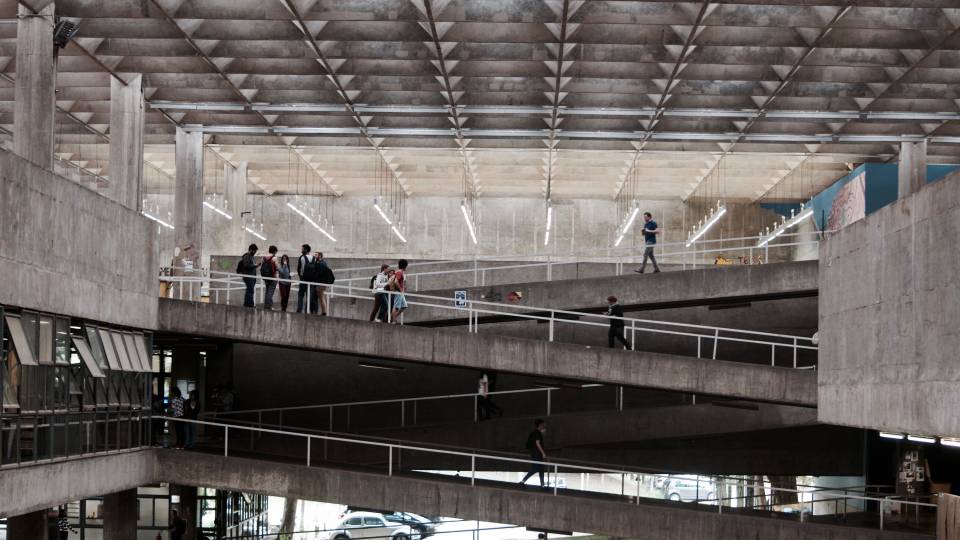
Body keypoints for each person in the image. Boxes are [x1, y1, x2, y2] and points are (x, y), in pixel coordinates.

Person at [520, 419, 547, 487]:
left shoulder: (536, 432)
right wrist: (543, 453)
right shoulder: (537, 433)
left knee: (541, 468)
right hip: (536, 453)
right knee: (535, 468)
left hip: (536, 453)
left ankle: (542, 484)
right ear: (540, 425)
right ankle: (523, 480)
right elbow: (537, 443)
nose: (544, 425)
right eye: (543, 424)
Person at [389, 259, 409, 323]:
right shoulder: (399, 272)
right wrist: (400, 289)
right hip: (398, 292)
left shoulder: (400, 272)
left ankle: (393, 318)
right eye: (406, 266)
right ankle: (393, 321)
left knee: (404, 306)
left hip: (400, 292)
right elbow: (396, 281)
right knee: (397, 307)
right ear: (404, 266)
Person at [260, 245, 279, 309]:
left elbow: (261, 266)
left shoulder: (264, 257)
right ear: (274, 251)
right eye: (276, 252)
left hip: (266, 277)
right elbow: (277, 267)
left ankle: (266, 305)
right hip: (273, 277)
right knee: (270, 292)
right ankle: (268, 306)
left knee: (267, 291)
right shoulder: (274, 258)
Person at [296, 244, 312, 313]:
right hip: (311, 280)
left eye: (302, 249)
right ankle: (307, 310)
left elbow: (298, 269)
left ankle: (299, 310)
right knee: (309, 295)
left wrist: (301, 277)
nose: (301, 250)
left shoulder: (301, 257)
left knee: (301, 294)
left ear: (306, 250)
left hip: (303, 279)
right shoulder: (313, 258)